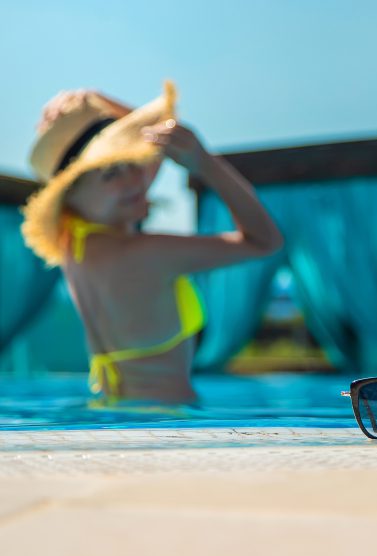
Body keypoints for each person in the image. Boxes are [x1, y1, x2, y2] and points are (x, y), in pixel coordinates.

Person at [22, 82, 283, 404]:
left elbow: (156, 141)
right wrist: (205, 164)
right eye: (110, 174)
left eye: (133, 163)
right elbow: (265, 241)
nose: (135, 180)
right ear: (71, 196)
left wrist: (94, 102)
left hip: (110, 409)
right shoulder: (145, 253)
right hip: (165, 417)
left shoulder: (73, 247)